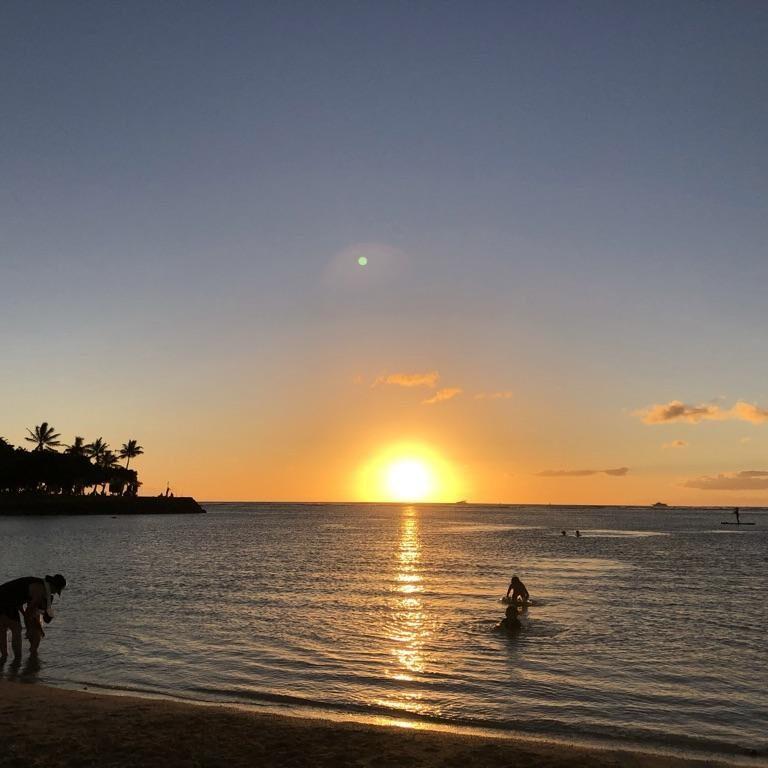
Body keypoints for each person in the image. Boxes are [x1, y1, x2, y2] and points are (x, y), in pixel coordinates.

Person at [0, 575, 66, 659]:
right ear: (53, 586)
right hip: (5, 600)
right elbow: (28, 612)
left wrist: (30, 619)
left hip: (4, 595)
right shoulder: (40, 592)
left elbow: (19, 600)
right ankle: (17, 659)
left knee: (2, 628)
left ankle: (4, 657)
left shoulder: (37, 582)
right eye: (56, 590)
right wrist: (33, 627)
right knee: (16, 629)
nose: (54, 593)